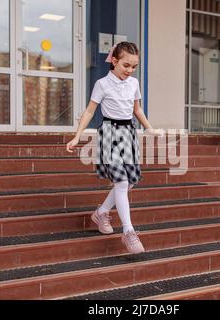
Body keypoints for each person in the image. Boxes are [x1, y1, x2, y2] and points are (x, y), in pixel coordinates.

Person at [66, 42, 163, 254]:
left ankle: (101, 212)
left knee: (128, 184)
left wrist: (150, 129)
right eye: (126, 65)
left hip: (128, 132)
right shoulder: (102, 84)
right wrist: (77, 136)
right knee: (121, 181)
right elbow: (90, 111)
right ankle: (128, 231)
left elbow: (137, 110)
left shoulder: (133, 83)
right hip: (109, 132)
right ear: (114, 61)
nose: (129, 70)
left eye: (134, 66)